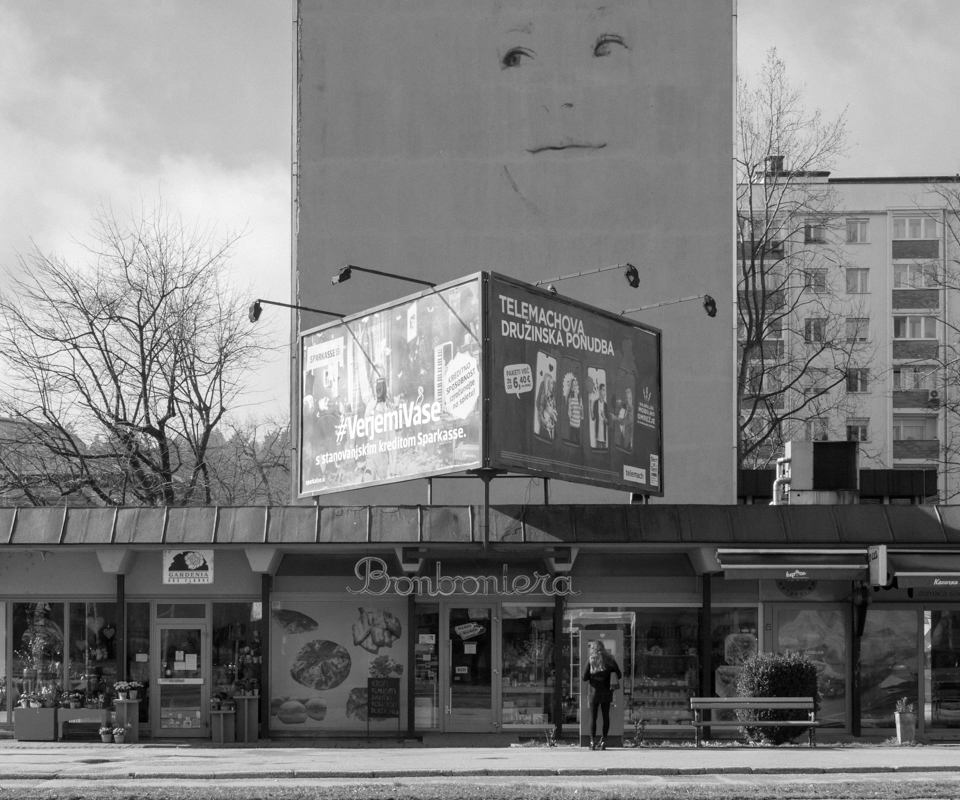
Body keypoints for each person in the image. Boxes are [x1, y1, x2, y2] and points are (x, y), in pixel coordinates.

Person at [582, 639, 622, 750]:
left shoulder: (591, 660)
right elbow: (619, 675)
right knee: (606, 717)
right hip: (607, 692)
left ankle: (592, 742)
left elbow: (584, 677)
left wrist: (593, 676)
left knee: (593, 717)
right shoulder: (610, 660)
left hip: (594, 693)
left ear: (593, 649)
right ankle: (603, 741)